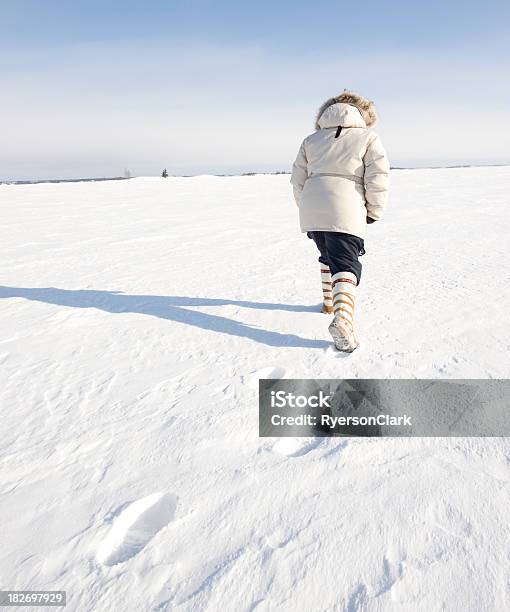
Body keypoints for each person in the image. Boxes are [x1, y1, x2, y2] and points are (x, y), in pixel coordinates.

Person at [290, 90, 390, 352]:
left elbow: (297, 178)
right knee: (345, 262)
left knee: (327, 254)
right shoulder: (368, 137)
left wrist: (306, 206)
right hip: (345, 208)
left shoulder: (311, 140)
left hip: (312, 209)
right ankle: (343, 321)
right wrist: (373, 211)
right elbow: (378, 177)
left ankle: (328, 303)